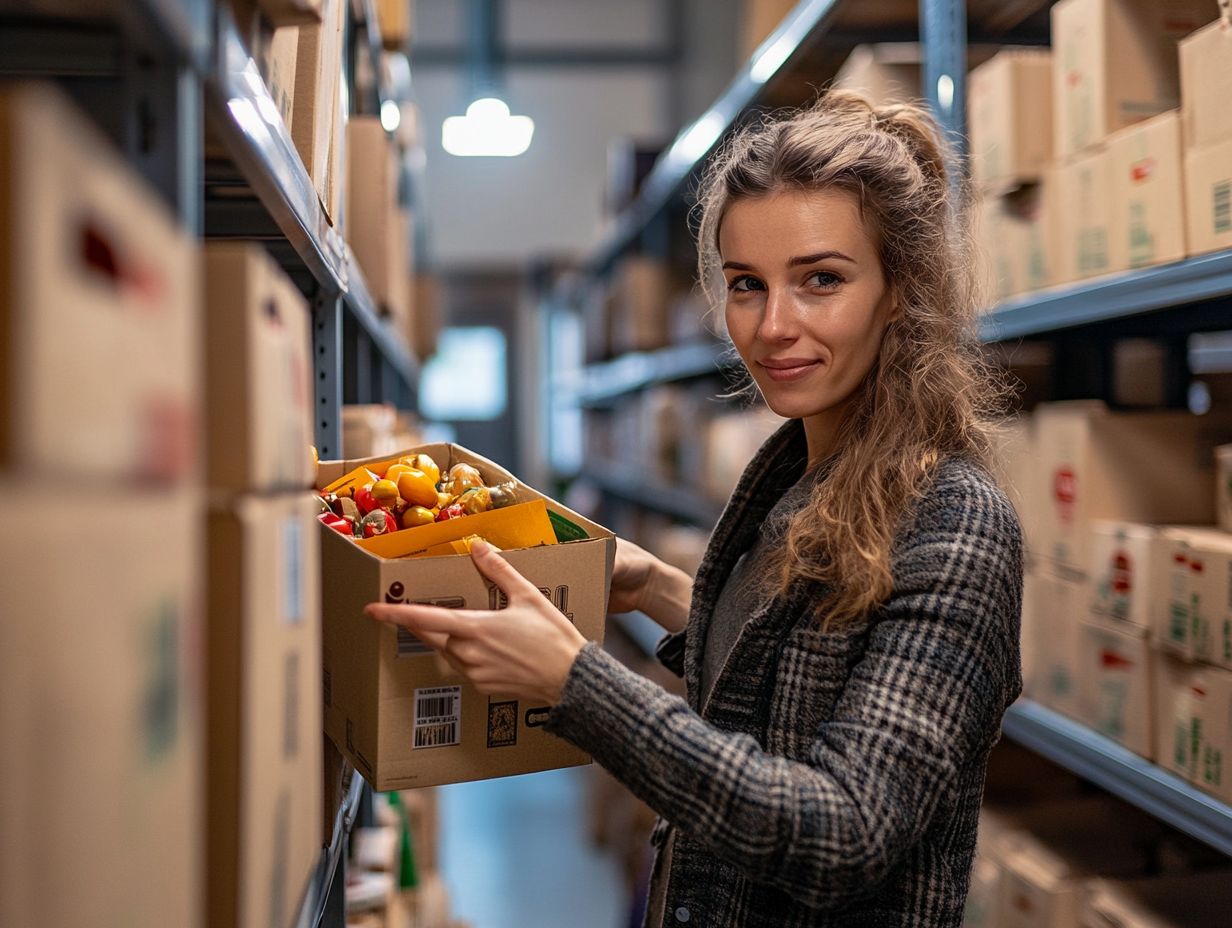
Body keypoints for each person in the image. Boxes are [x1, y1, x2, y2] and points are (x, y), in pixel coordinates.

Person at [365, 90, 1023, 928]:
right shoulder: (796, 472)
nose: (773, 325)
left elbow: (844, 831)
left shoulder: (957, 524)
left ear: (900, 291)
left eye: (821, 280)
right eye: (748, 285)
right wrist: (662, 589)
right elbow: (798, 670)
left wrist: (576, 682)